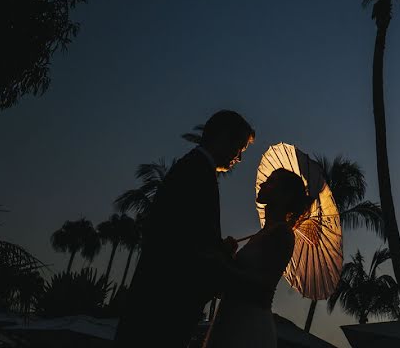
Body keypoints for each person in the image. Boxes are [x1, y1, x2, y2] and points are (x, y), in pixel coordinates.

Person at [115, 109, 255, 348]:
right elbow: (186, 246)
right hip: (162, 308)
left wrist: (218, 249)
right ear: (222, 138)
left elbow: (188, 234)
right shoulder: (196, 173)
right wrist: (223, 257)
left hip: (157, 305)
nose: (239, 157)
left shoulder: (193, 169)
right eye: (239, 148)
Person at [202, 168, 311, 348]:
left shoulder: (282, 233)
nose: (262, 184)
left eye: (271, 182)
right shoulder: (261, 234)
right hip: (230, 318)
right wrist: (228, 256)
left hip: (247, 326)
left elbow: (263, 285)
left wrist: (223, 264)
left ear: (286, 196)